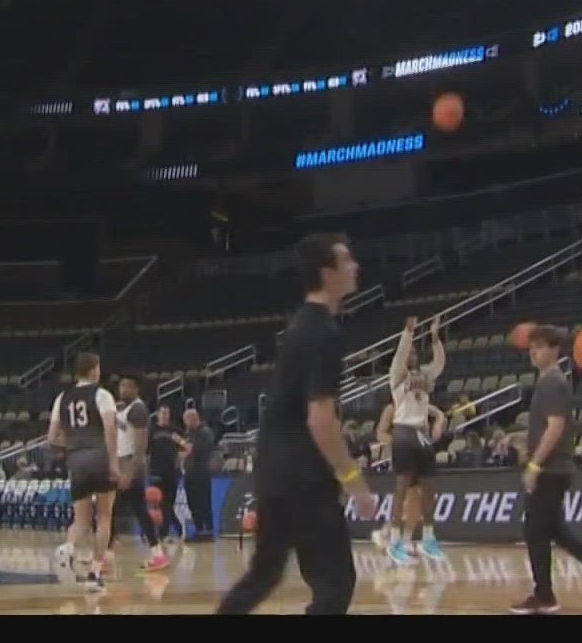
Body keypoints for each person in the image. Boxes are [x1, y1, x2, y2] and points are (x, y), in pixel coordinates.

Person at [216, 233, 376, 616]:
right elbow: (320, 417)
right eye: (347, 261)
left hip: (273, 471)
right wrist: (353, 480)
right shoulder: (325, 333)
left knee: (264, 575)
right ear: (328, 273)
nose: (355, 266)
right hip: (305, 476)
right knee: (335, 584)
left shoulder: (298, 325)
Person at [512, 325, 582, 614]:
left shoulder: (553, 383)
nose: (533, 351)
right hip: (554, 467)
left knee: (535, 531)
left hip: (552, 468)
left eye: (539, 346)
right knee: (554, 530)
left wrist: (535, 464)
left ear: (555, 350)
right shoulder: (548, 381)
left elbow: (556, 427)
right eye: (531, 347)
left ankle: (545, 596)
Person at [48, 352, 120, 591]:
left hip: (76, 461)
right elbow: (110, 429)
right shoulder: (102, 395)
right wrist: (113, 462)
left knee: (81, 521)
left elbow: (51, 438)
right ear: (93, 370)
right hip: (99, 457)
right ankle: (94, 575)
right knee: (105, 518)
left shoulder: (62, 397)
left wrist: (74, 445)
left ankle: (67, 547)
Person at [379, 316, 447, 564]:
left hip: (422, 433)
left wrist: (435, 338)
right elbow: (399, 354)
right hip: (404, 431)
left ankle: (428, 538)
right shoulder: (397, 374)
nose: (411, 355)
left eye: (414, 352)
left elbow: (439, 362)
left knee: (429, 488)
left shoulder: (426, 374)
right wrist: (408, 333)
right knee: (402, 487)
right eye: (409, 352)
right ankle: (395, 541)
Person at [113, 376, 170, 571]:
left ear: (137, 389)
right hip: (122, 462)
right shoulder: (125, 408)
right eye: (121, 385)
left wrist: (130, 472)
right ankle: (156, 553)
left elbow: (140, 446)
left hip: (131, 464)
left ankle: (156, 553)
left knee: (123, 509)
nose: (123, 389)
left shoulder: (138, 409)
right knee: (120, 510)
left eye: (127, 386)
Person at [147, 404, 185, 546]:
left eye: (167, 413)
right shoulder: (152, 430)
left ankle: (171, 531)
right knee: (161, 504)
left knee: (169, 503)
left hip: (172, 472)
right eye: (162, 413)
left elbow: (186, 446)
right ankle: (166, 532)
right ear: (157, 414)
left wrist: (179, 458)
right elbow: (146, 451)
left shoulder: (174, 430)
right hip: (156, 472)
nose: (165, 415)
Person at [180, 407, 217, 541]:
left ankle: (208, 532)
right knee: (193, 503)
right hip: (190, 473)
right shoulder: (189, 433)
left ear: (194, 418)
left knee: (203, 503)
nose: (186, 424)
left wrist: (183, 447)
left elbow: (197, 450)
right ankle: (199, 530)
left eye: (187, 420)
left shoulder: (204, 432)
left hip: (201, 473)